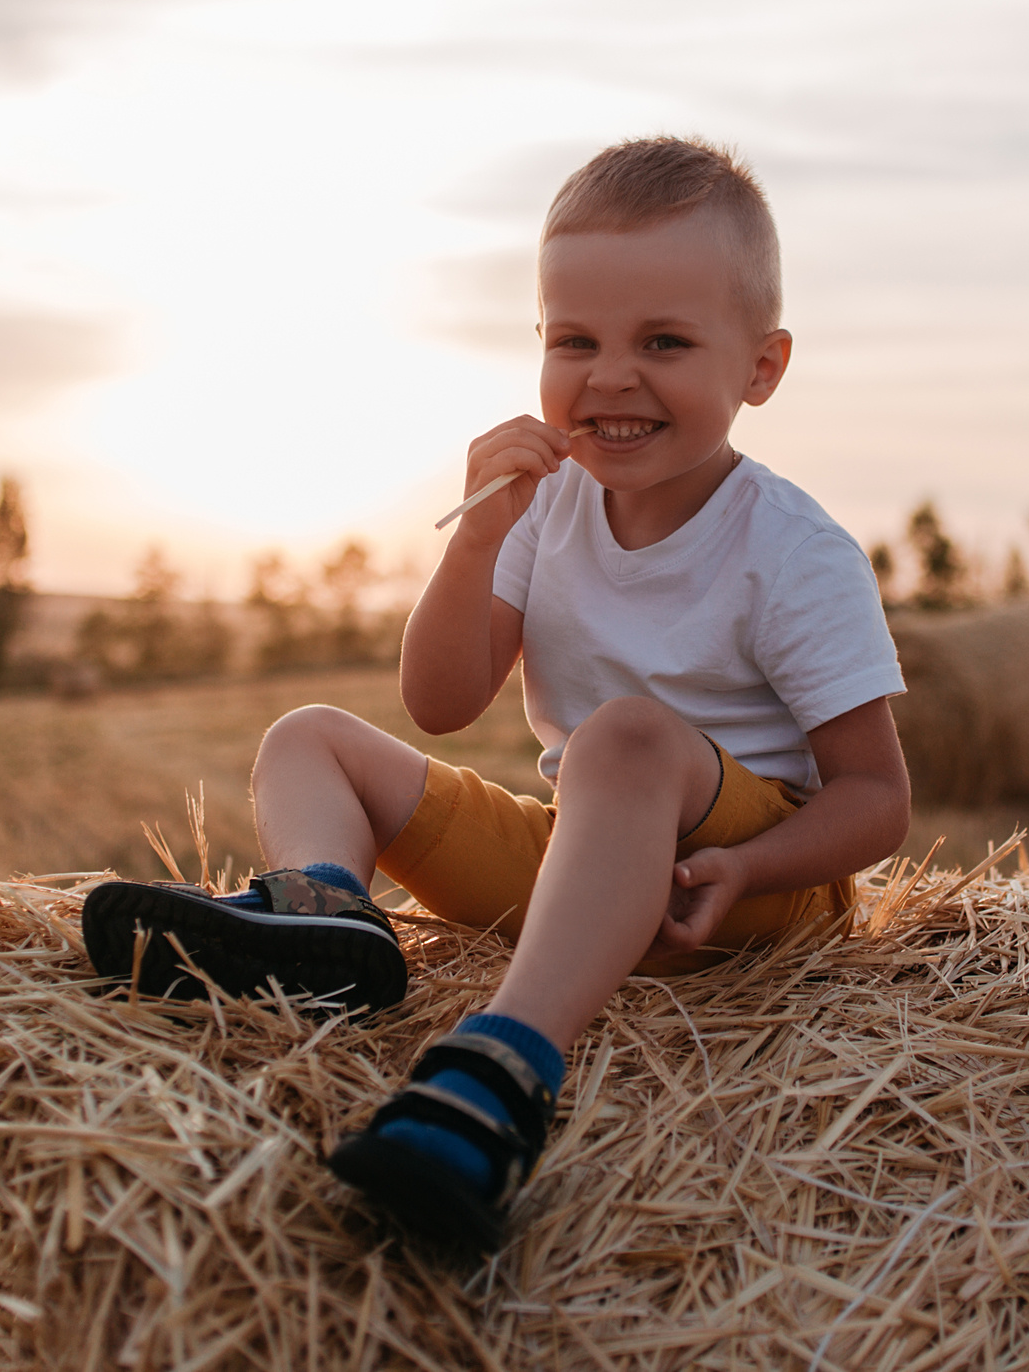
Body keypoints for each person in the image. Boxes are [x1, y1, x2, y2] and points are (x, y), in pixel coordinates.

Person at [82, 136, 910, 1254]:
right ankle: (326, 931)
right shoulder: (545, 509)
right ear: (539, 346)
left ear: (760, 368)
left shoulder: (793, 551)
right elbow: (439, 700)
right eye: (576, 341)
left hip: (742, 891)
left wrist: (751, 866)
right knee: (307, 738)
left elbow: (875, 800)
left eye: (662, 342)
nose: (611, 376)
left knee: (621, 741)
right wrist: (481, 528)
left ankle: (499, 1070)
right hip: (585, 869)